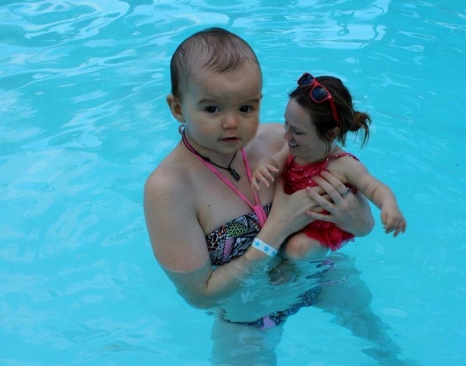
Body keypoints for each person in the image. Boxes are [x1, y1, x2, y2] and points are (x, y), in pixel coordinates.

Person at [144, 27, 408, 365]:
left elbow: (360, 212)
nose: (231, 124)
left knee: (386, 349)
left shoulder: (280, 142)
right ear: (178, 108)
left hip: (321, 274)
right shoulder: (169, 190)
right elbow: (200, 296)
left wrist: (360, 220)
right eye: (212, 109)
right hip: (249, 317)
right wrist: (274, 232)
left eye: (245, 108)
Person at [251, 72, 407, 259]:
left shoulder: (344, 165)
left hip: (321, 230)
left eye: (297, 131)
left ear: (331, 134)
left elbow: (375, 188)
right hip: (295, 218)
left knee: (296, 249)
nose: (286, 136)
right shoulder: (291, 150)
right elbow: (274, 161)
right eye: (286, 124)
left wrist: (390, 207)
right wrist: (264, 165)